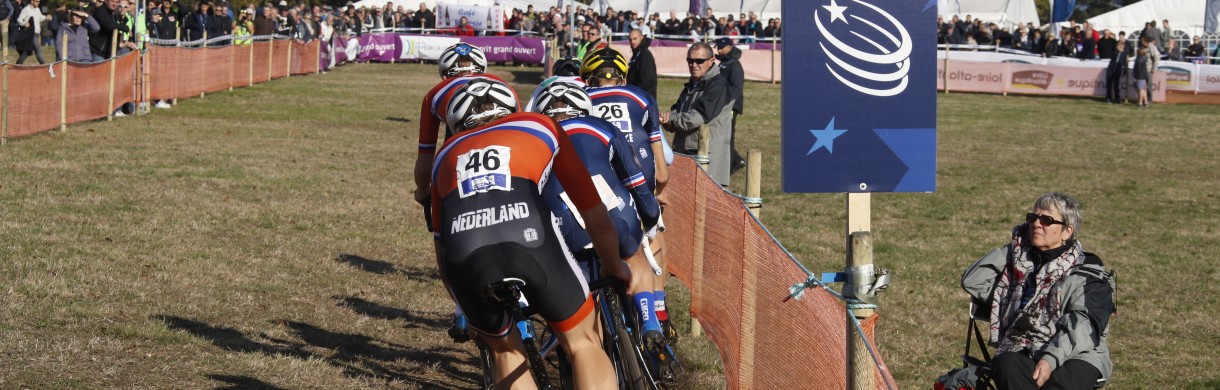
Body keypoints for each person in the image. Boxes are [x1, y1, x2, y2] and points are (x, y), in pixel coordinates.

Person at [432, 78, 632, 389]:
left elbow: (442, 256)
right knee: (583, 343)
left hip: (465, 252)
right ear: (513, 109)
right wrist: (614, 266)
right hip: (530, 237)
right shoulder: (541, 125)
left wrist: (469, 312)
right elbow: (595, 215)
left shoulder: (444, 155)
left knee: (505, 351)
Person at [529, 80, 666, 351]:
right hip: (612, 208)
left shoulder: (537, 139)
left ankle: (582, 347)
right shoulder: (603, 127)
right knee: (634, 257)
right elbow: (636, 182)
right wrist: (650, 219)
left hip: (563, 218)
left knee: (579, 300)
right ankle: (650, 321)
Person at [960, 192, 1113, 390]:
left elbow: (1083, 328)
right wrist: (1016, 247)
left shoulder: (1088, 274)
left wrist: (1050, 359)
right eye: (1032, 218)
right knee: (1006, 363)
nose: (1036, 224)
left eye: (1046, 220)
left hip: (1077, 354)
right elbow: (973, 280)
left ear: (1067, 232)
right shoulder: (1019, 270)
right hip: (1025, 349)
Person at [581, 47, 677, 338]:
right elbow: (662, 172)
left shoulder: (580, 101)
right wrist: (656, 194)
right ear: (623, 78)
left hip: (595, 194)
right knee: (652, 240)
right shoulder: (641, 97)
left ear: (586, 79)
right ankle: (658, 313)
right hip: (637, 190)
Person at [660, 42, 734, 187]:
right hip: (686, 156)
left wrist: (671, 118)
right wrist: (667, 120)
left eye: (699, 61)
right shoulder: (692, 84)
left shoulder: (718, 85)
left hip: (708, 160)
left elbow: (699, 118)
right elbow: (677, 111)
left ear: (712, 60)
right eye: (690, 60)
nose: (694, 64)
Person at [713, 37, 746, 173]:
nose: (719, 49)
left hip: (730, 106)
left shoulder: (734, 65)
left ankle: (732, 164)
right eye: (718, 47)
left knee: (728, 135)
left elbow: (736, 88)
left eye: (721, 47)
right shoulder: (724, 63)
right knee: (722, 134)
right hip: (722, 105)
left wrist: (728, 104)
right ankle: (737, 160)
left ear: (729, 47)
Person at [626, 29, 656, 100]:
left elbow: (648, 81)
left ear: (641, 38)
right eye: (630, 39)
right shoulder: (637, 53)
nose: (632, 42)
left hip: (644, 99)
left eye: (635, 39)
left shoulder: (645, 54)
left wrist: (634, 93)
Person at [14, 0, 45, 64]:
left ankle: (19, 63)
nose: (38, 3)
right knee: (38, 49)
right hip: (30, 33)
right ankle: (44, 65)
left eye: (39, 1)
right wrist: (24, 23)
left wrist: (46, 17)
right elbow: (19, 20)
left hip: (37, 33)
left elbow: (40, 18)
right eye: (36, 1)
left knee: (28, 50)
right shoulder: (26, 9)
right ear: (32, 1)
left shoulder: (37, 9)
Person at [1104, 40, 1127, 104]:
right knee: (1109, 85)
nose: (1120, 46)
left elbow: (1125, 63)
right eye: (1119, 45)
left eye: (1121, 45)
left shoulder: (1124, 54)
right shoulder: (1115, 52)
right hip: (1111, 69)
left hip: (1117, 70)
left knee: (1116, 85)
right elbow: (1112, 60)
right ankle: (1108, 97)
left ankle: (1117, 98)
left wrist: (1124, 70)